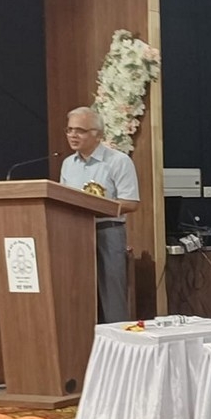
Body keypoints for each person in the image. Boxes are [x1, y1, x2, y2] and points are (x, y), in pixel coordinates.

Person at [59, 106, 139, 323]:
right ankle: (83, 338)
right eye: (69, 130)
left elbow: (131, 203)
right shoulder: (68, 164)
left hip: (107, 231)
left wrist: (96, 205)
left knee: (111, 293)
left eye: (80, 130)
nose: (73, 135)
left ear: (98, 134)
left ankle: (117, 338)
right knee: (78, 291)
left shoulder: (118, 161)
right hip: (75, 234)